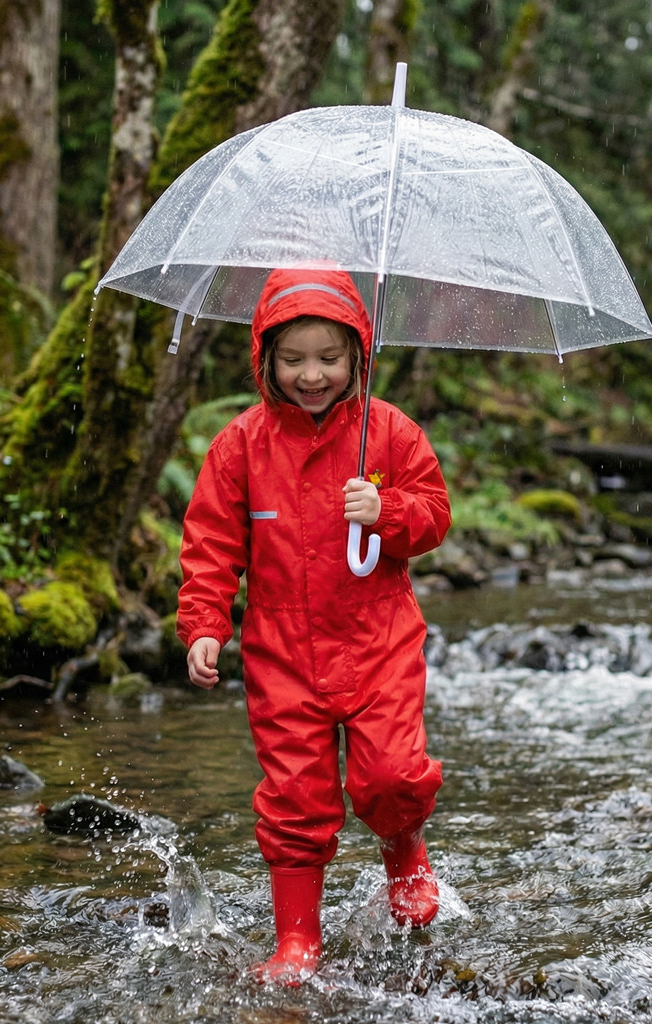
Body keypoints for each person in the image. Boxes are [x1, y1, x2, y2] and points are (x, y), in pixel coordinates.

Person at [176, 265, 451, 986]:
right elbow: (210, 544)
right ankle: (298, 939)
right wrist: (205, 624)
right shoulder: (240, 445)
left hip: (379, 641)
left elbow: (434, 518)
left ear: (359, 354)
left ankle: (405, 854)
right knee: (295, 795)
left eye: (329, 358)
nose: (312, 375)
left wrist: (387, 513)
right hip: (282, 652)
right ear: (265, 359)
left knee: (390, 775)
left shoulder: (389, 433)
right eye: (293, 359)